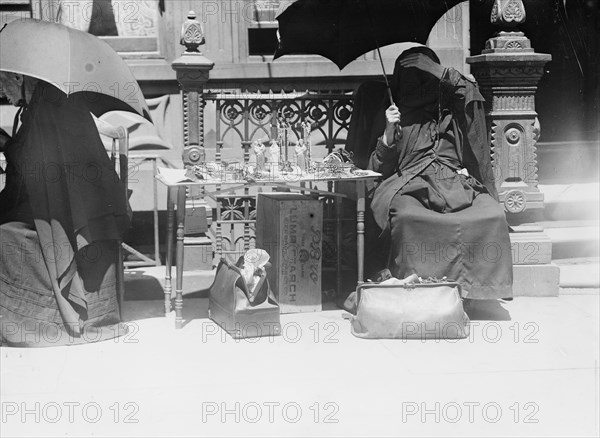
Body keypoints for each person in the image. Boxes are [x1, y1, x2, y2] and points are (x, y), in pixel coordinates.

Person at [366, 46, 513, 300]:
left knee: (492, 214)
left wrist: (438, 70)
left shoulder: (449, 111)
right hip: (409, 185)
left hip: (453, 184)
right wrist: (389, 132)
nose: (420, 84)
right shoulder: (394, 112)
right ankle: (417, 289)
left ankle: (476, 290)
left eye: (425, 76)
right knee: (407, 218)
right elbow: (376, 169)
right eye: (413, 78)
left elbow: (470, 94)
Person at [0, 71, 131, 346]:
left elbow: (36, 169)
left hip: (77, 212)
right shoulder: (42, 104)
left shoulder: (50, 105)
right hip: (74, 203)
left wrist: (6, 145)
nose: (2, 92)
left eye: (2, 82)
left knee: (5, 232)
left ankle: (31, 319)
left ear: (18, 78)